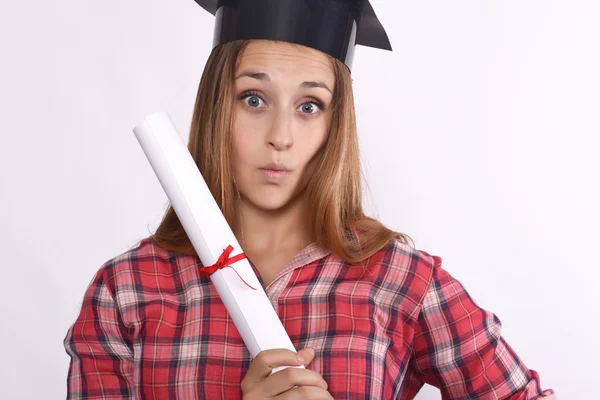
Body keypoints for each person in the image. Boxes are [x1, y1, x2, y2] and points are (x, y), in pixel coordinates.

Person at [63, 0, 557, 399]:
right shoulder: (127, 290)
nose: (280, 136)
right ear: (217, 106)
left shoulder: (402, 281)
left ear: (334, 123)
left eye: (309, 106)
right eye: (253, 99)